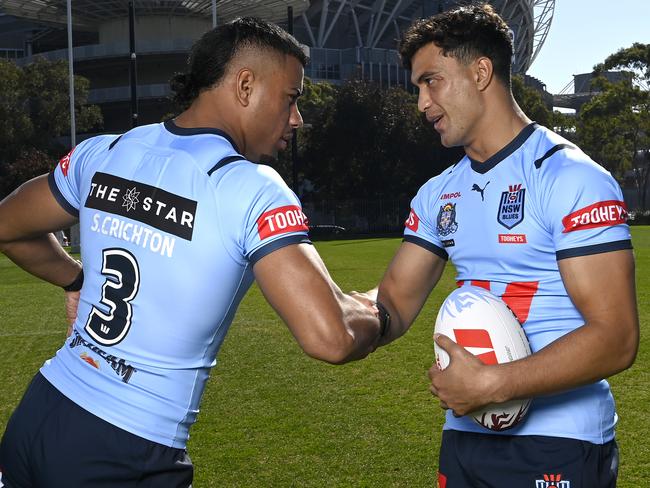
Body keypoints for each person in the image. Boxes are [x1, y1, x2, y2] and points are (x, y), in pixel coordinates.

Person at [0, 18, 383, 487]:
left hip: (41, 411)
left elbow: (8, 228)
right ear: (245, 86)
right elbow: (332, 337)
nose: (297, 118)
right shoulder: (250, 187)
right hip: (127, 449)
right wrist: (378, 312)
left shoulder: (105, 151)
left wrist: (76, 279)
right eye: (292, 98)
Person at [355, 4, 639, 487]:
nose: (422, 103)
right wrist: (334, 310)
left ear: (481, 71)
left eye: (431, 81)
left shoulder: (571, 178)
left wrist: (491, 384)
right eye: (417, 88)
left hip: (560, 442)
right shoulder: (438, 193)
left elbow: (616, 338)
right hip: (466, 434)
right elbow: (393, 305)